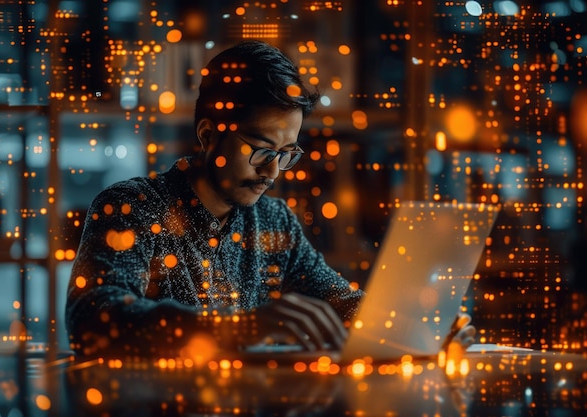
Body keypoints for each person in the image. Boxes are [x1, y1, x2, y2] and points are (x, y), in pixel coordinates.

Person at [65, 40, 474, 358]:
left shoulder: (275, 221)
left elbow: (340, 303)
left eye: (286, 154)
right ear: (208, 135)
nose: (273, 172)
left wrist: (420, 324)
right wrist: (236, 328)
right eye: (260, 150)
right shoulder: (132, 207)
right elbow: (94, 317)